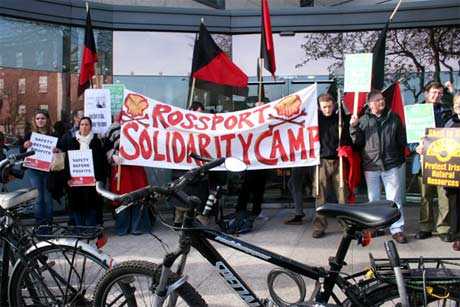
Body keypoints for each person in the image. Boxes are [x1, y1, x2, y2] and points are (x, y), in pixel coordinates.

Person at [350, 89, 408, 244]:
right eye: (377, 100)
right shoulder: (363, 120)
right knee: (373, 199)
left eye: (382, 99)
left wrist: (402, 157)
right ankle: (376, 227)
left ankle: (397, 229)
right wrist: (354, 127)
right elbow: (358, 143)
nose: (381, 102)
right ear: (370, 104)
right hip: (371, 165)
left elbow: (402, 139)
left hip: (391, 164)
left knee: (394, 199)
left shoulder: (393, 117)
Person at [412, 81, 452, 242]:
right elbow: (410, 135)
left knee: (444, 196)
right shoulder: (416, 112)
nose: (437, 95)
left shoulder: (447, 112)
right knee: (425, 196)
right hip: (422, 158)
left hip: (443, 160)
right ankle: (425, 227)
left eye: (440, 93)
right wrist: (415, 147)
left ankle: (443, 228)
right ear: (426, 93)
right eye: (434, 92)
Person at [308, 93, 352, 238]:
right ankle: (319, 226)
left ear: (334, 105)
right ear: (320, 108)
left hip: (338, 160)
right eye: (324, 107)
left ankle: (346, 226)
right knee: (320, 195)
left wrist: (344, 147)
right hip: (321, 161)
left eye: (329, 106)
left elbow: (349, 134)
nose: (327, 109)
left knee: (342, 194)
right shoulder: (315, 120)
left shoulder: (340, 119)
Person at [105, 113, 153, 235]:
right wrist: (112, 155)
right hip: (121, 168)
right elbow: (106, 147)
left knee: (139, 196)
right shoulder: (113, 128)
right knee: (122, 197)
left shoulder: (140, 126)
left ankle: (138, 226)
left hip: (136, 167)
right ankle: (122, 227)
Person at [63, 117, 106, 226]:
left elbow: (101, 162)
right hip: (76, 181)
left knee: (92, 205)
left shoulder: (96, 142)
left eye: (87, 124)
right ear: (79, 126)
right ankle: (80, 229)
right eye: (82, 124)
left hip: (92, 180)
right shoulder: (72, 141)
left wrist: (100, 179)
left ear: (90, 127)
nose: (84, 127)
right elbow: (67, 161)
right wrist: (68, 178)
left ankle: (90, 229)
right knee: (77, 206)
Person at [21, 109, 56, 226]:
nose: (40, 121)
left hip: (49, 170)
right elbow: (22, 153)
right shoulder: (29, 135)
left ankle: (49, 226)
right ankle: (41, 227)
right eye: (38, 118)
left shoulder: (53, 135)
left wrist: (57, 150)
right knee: (38, 199)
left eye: (43, 118)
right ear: (34, 121)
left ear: (47, 120)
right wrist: (25, 146)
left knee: (47, 198)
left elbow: (61, 152)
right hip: (34, 169)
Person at [443, 93, 460, 250]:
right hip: (453, 173)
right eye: (457, 104)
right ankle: (456, 235)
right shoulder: (449, 123)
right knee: (454, 205)